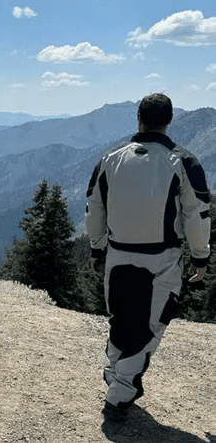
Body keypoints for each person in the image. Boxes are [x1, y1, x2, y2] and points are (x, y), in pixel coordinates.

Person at [85, 93, 210, 420]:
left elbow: (93, 209)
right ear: (170, 121)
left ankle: (115, 373)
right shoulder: (183, 161)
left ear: (138, 119)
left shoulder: (110, 158)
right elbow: (197, 214)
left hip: (117, 254)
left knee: (122, 319)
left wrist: (97, 249)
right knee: (149, 328)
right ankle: (118, 395)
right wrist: (200, 257)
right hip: (161, 258)